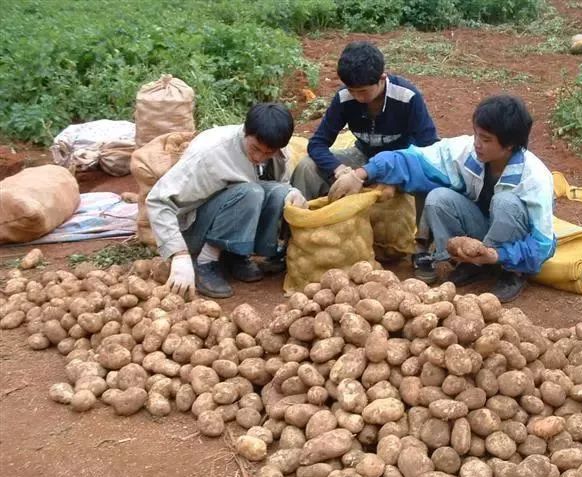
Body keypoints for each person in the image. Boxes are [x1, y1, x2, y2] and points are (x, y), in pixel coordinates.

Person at [335, 94, 556, 302]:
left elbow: (543, 246)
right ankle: (471, 264)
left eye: (486, 139)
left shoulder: (535, 178)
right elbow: (412, 158)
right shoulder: (467, 151)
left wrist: (496, 255)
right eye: (477, 134)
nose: (477, 143)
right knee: (438, 197)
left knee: (505, 202)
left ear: (509, 145)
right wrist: (361, 173)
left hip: (513, 241)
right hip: (484, 228)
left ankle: (512, 272)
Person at [146, 102, 307, 299]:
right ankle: (205, 262)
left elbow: (277, 185)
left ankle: (236, 255)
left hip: (232, 217)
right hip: (193, 228)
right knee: (251, 192)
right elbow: (157, 200)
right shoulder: (210, 153)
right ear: (246, 131)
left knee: (281, 192)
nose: (259, 157)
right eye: (255, 149)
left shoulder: (278, 152)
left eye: (268, 153)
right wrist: (179, 255)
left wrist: (290, 192)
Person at [291, 41, 439, 202]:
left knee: (432, 179)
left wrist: (396, 179)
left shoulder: (407, 97)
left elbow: (429, 147)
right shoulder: (343, 98)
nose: (357, 97)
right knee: (307, 166)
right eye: (351, 90)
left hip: (399, 163)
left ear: (382, 78)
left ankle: (421, 227)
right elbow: (317, 143)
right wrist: (339, 169)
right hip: (363, 156)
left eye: (362, 91)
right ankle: (299, 221)